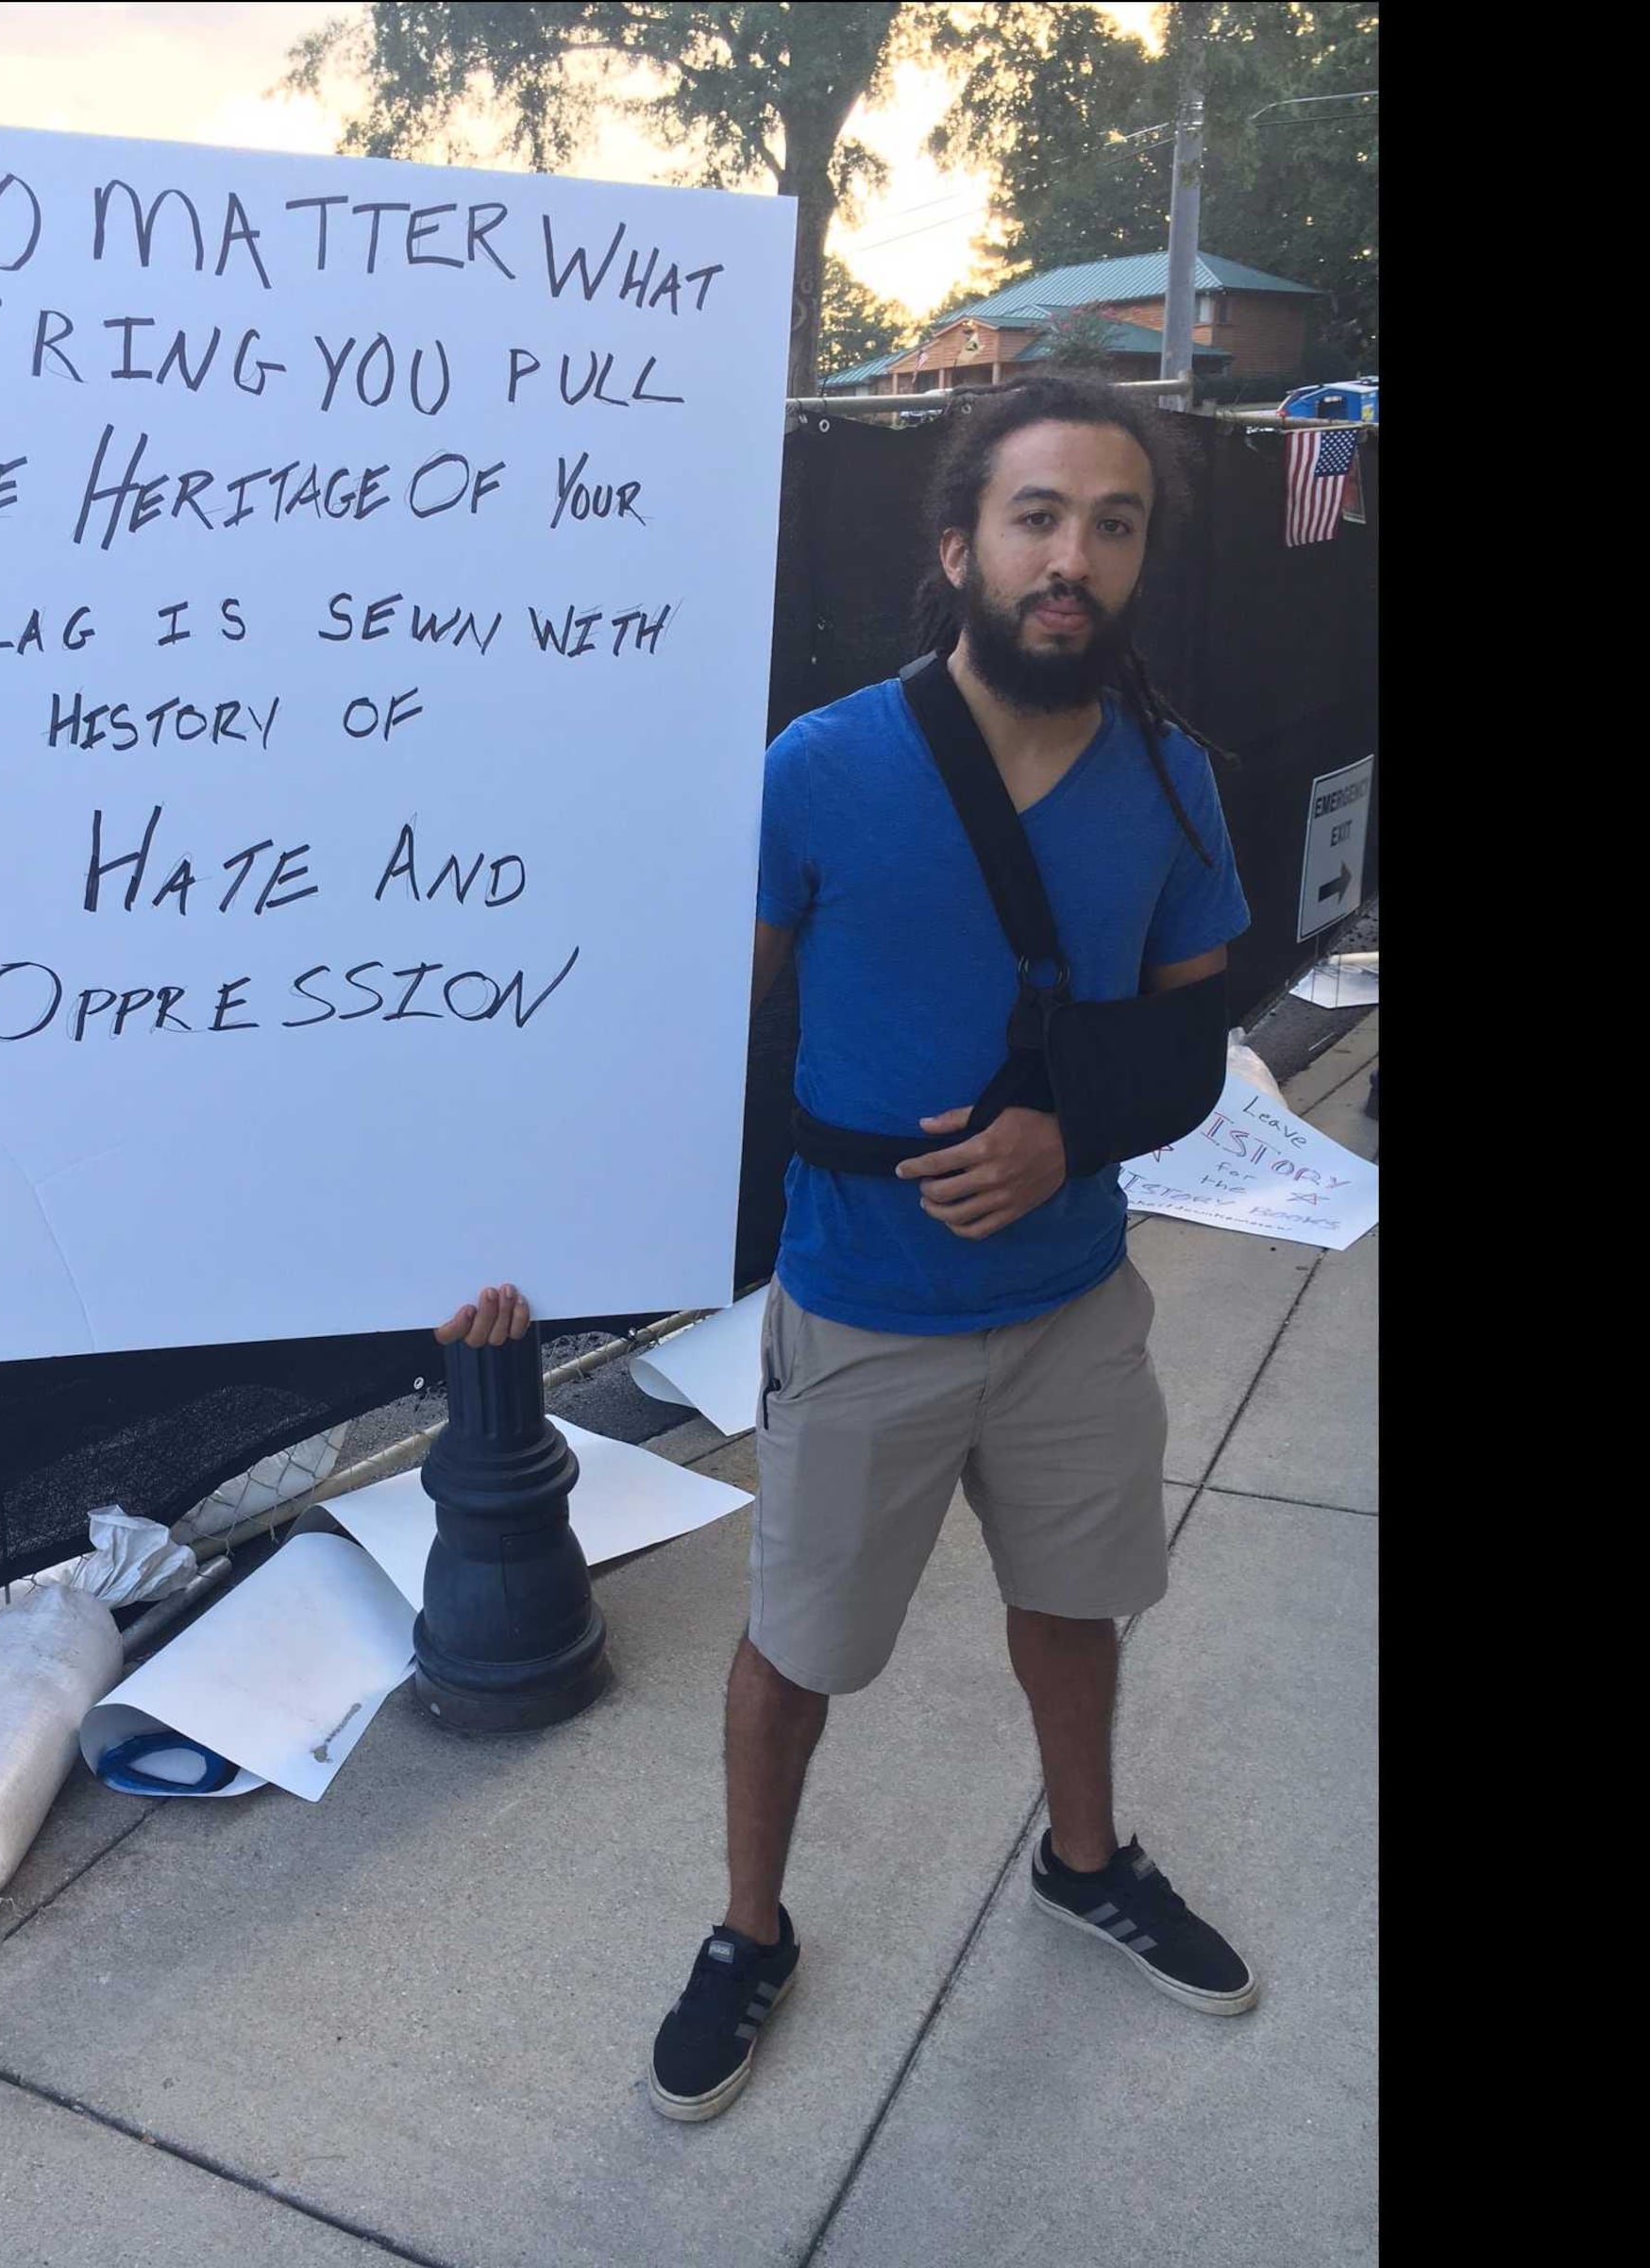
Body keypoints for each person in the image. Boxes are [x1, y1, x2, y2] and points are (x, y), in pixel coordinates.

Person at [649, 373, 1257, 2122]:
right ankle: (751, 1927)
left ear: (1139, 560)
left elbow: (1188, 1041)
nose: (1075, 555)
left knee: (1074, 1609)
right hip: (862, 1308)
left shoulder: (1175, 784)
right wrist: (546, 1223)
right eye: (1040, 516)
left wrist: (1075, 1128)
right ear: (961, 544)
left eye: (1114, 523)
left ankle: (1085, 1860)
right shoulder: (823, 767)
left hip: (1072, 1303)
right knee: (799, 1646)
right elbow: (707, 1025)